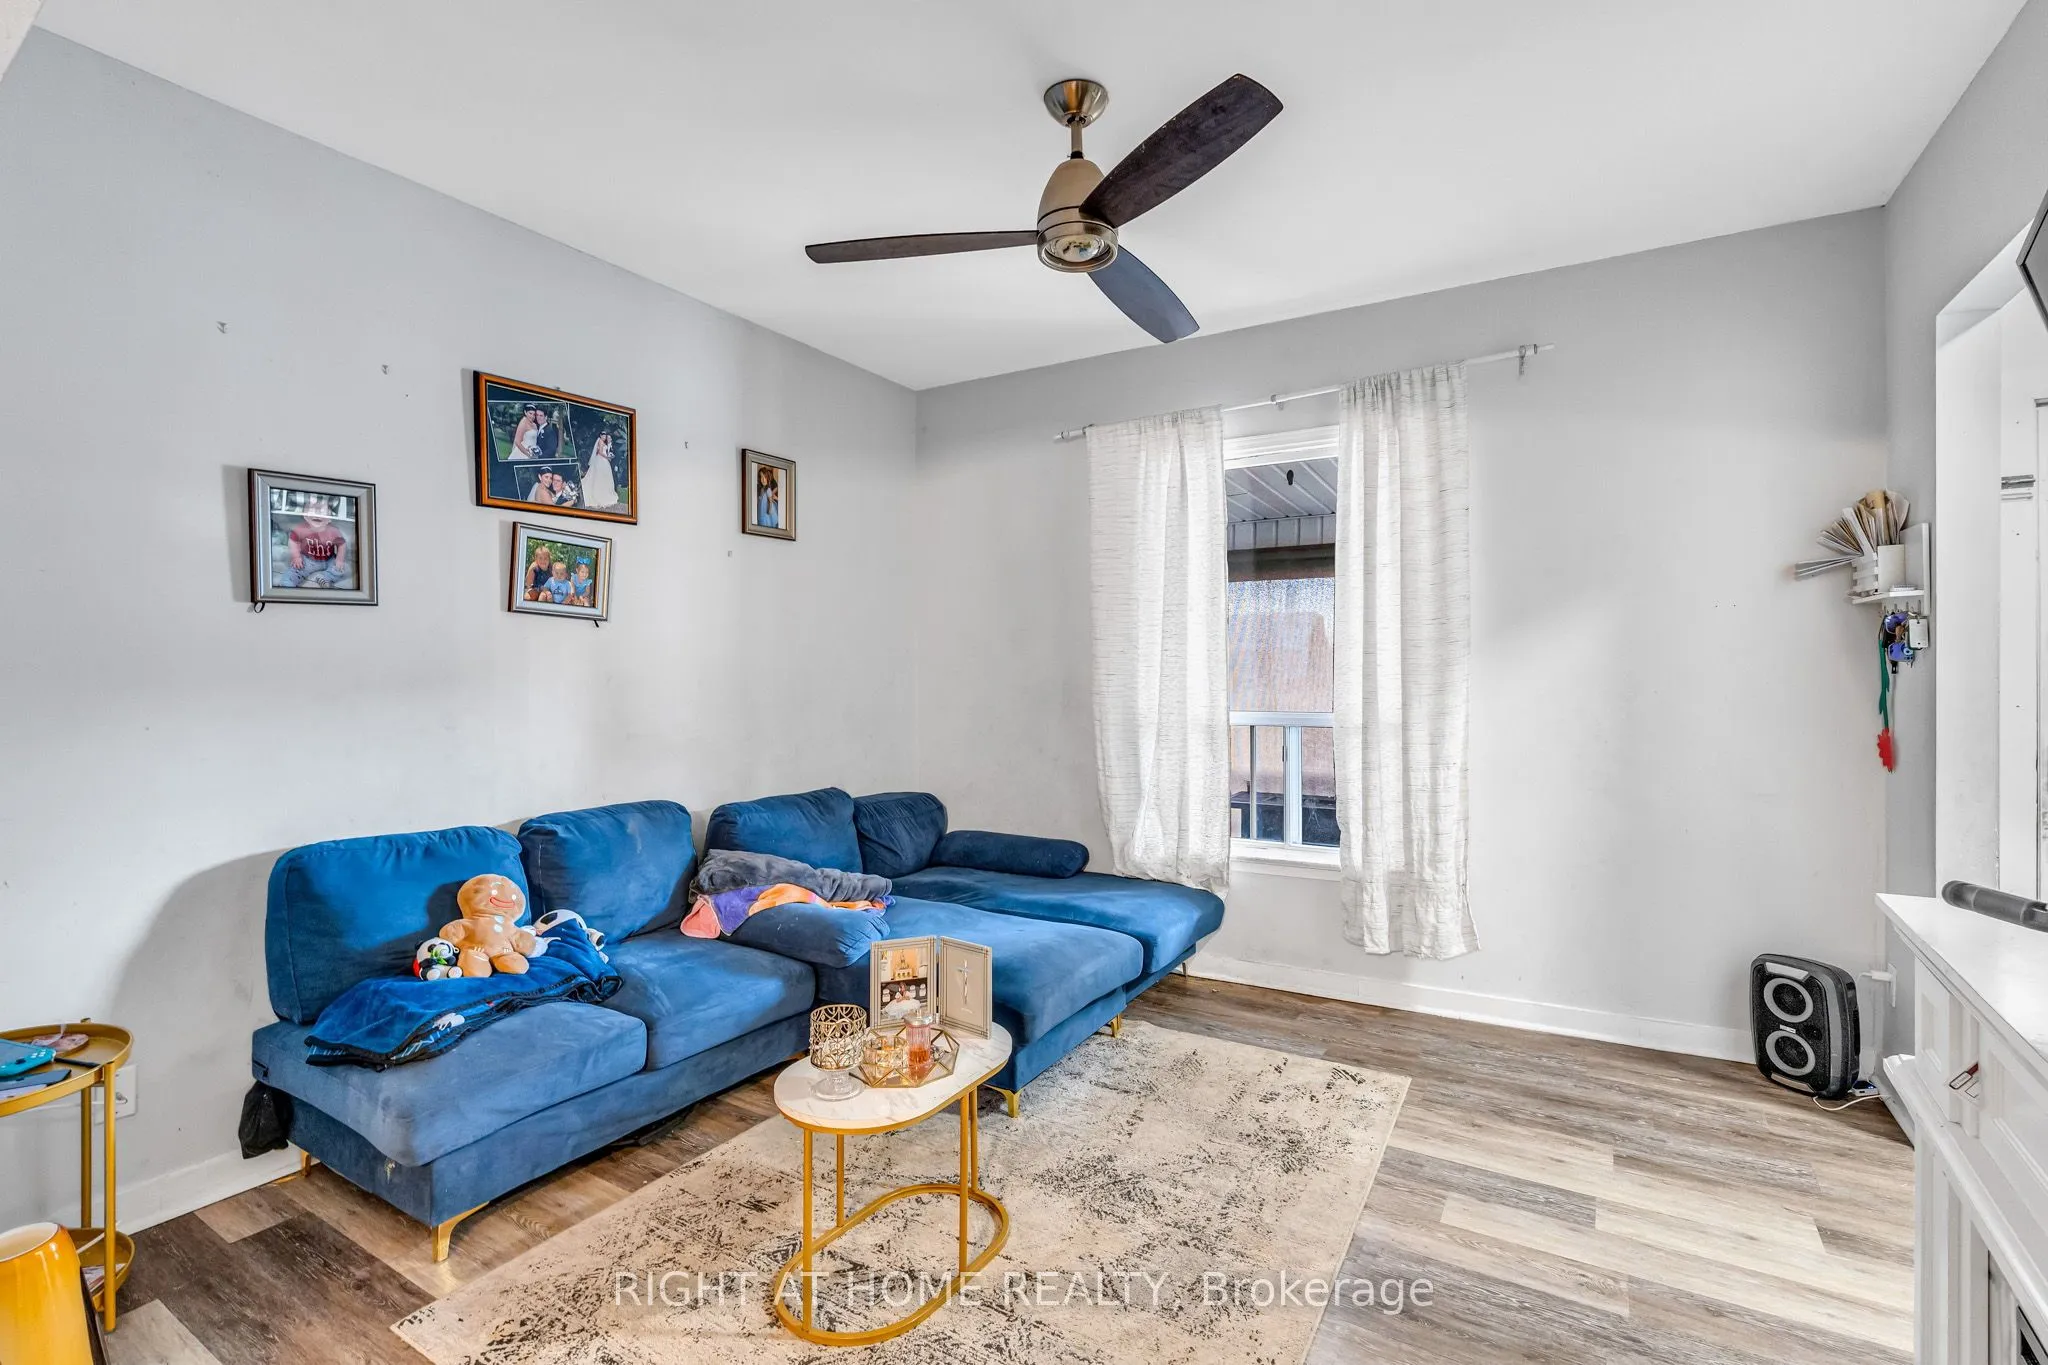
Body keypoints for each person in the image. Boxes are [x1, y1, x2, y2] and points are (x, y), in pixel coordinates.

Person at [277, 495, 350, 589]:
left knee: (340, 568)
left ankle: (325, 577)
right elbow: (293, 541)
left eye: (322, 511)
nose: (317, 513)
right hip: (308, 559)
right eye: (312, 510)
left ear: (330, 518)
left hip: (329, 559)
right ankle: (287, 583)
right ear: (305, 516)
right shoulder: (301, 529)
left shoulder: (333, 531)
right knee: (295, 569)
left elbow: (342, 544)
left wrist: (339, 559)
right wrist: (296, 557)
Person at [582, 431, 620, 511]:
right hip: (601, 460)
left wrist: (608, 456)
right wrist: (607, 457)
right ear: (600, 436)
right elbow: (600, 452)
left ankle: (604, 490)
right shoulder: (600, 441)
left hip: (602, 460)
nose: (604, 437)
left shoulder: (602, 442)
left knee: (603, 476)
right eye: (603, 436)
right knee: (600, 475)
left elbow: (600, 451)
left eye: (605, 436)